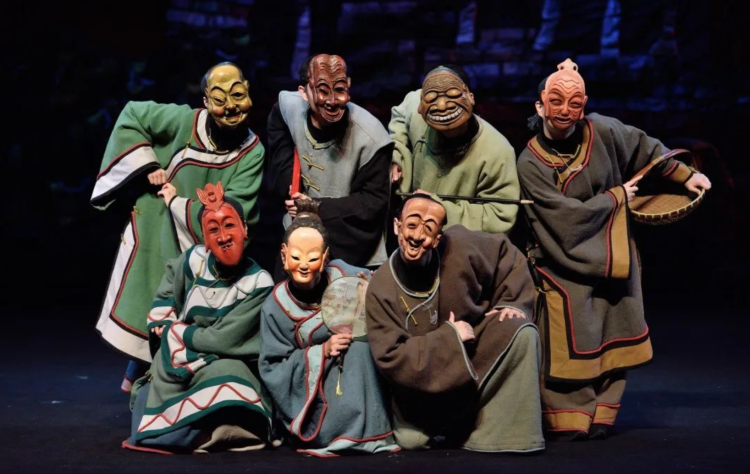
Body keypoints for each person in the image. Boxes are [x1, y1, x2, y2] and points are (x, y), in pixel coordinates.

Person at [517, 58, 712, 440]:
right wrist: (615, 197)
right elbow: (560, 217)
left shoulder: (603, 130)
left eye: (575, 103)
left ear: (584, 105)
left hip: (613, 249)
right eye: (556, 101)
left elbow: (645, 148)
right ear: (539, 105)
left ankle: (603, 414)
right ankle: (570, 417)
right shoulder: (530, 162)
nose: (565, 111)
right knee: (569, 336)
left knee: (613, 325)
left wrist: (686, 176)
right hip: (562, 258)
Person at [90, 62, 265, 389]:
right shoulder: (183, 121)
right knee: (153, 297)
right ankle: (143, 379)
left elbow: (236, 208)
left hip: (205, 238)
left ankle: (169, 381)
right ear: (206, 101)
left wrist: (179, 204)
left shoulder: (252, 151)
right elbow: (133, 114)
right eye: (220, 98)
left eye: (238, 95)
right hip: (158, 227)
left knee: (195, 307)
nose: (230, 106)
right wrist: (149, 166)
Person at [366, 194, 544, 453]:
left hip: (471, 357)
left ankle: (495, 435)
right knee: (413, 441)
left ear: (438, 237)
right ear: (397, 226)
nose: (417, 236)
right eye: (412, 225)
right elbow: (391, 357)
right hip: (420, 387)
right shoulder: (381, 286)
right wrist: (451, 337)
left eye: (428, 229)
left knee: (522, 332)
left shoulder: (462, 246)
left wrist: (513, 301)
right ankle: (451, 425)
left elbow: (508, 255)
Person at [123, 182, 275, 454]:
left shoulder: (258, 283)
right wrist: (163, 319)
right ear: (205, 238)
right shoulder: (194, 260)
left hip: (226, 357)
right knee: (150, 391)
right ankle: (199, 431)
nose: (223, 237)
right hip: (181, 356)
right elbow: (168, 288)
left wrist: (177, 333)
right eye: (213, 230)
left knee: (230, 376)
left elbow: (224, 339)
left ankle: (214, 430)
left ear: (244, 229)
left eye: (229, 225)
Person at [259, 200, 398, 457]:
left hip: (356, 369)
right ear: (284, 256)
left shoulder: (343, 274)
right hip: (314, 390)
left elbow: (382, 286)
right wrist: (321, 352)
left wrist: (372, 290)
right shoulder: (276, 305)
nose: (304, 265)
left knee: (361, 345)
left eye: (312, 258)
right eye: (296, 257)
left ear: (325, 258)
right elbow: (273, 367)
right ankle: (337, 432)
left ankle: (370, 430)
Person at [266, 53, 393, 269]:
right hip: (297, 239)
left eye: (340, 89)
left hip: (350, 247)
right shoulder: (290, 106)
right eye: (323, 91)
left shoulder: (371, 137)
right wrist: (290, 181)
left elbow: (373, 202)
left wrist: (316, 207)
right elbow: (279, 118)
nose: (332, 101)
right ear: (303, 92)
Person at [389, 66, 520, 234]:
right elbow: (400, 115)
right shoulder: (414, 105)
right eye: (432, 98)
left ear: (471, 97)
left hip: (456, 242)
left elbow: (500, 216)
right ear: (421, 106)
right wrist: (396, 154)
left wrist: (440, 210)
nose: (442, 105)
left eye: (453, 95)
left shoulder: (497, 150)